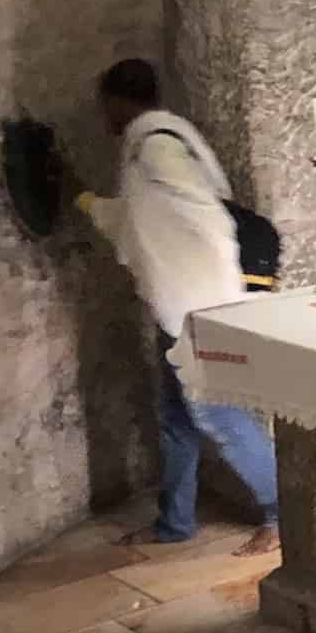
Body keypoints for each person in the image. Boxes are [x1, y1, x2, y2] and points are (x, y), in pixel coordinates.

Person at [77, 60, 280, 556]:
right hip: (177, 303)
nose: (103, 116)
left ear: (119, 102)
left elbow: (205, 218)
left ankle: (284, 515)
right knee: (175, 417)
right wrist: (82, 200)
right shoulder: (151, 147)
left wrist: (210, 292)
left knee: (217, 415)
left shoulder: (158, 146)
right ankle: (175, 522)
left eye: (105, 105)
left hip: (198, 306)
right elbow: (140, 220)